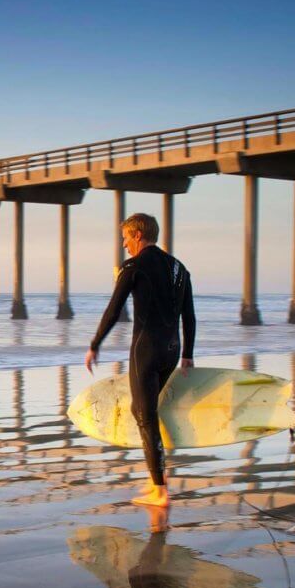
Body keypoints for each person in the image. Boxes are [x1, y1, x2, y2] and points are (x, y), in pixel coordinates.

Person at [85, 214, 195, 507]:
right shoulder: (180, 269)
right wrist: (187, 355)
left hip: (146, 350)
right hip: (172, 351)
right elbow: (189, 316)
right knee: (143, 411)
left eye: (125, 238)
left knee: (145, 417)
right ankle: (154, 479)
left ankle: (159, 490)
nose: (123, 245)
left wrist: (94, 344)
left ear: (136, 235)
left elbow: (113, 310)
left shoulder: (133, 266)